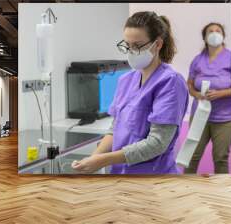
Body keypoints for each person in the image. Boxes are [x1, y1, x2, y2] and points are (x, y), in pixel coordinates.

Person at [71, 11, 188, 174]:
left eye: (137, 46)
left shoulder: (171, 82)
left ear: (158, 44)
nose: (131, 51)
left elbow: (157, 143)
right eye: (127, 45)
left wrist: (104, 160)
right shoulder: (125, 80)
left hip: (153, 177)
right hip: (120, 174)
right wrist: (92, 159)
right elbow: (115, 129)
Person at [184, 23, 231, 174]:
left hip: (225, 118)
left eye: (217, 31)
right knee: (191, 156)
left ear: (223, 36)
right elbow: (189, 84)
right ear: (205, 37)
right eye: (210, 31)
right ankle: (184, 190)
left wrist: (222, 93)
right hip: (200, 114)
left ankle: (221, 193)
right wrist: (196, 94)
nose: (214, 33)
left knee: (220, 158)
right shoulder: (198, 60)